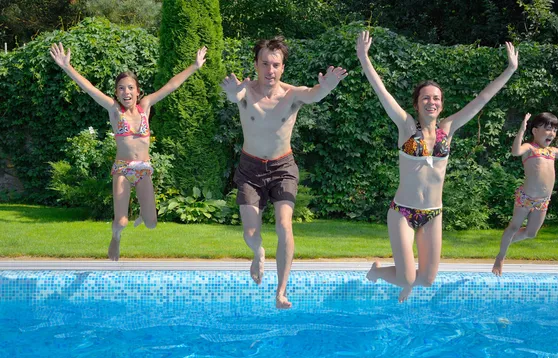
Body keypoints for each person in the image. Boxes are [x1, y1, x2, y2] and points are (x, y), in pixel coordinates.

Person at [356, 30, 518, 301]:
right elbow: (381, 90)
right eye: (426, 98)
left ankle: (401, 279)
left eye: (436, 98)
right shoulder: (406, 126)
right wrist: (364, 57)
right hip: (403, 212)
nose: (431, 102)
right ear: (417, 104)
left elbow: (482, 100)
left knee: (428, 280)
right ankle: (379, 273)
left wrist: (510, 70)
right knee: (408, 277)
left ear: (442, 105)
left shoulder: (448, 128)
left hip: (434, 213)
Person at [220, 37, 347, 309]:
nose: (270, 70)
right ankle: (258, 253)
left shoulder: (291, 94)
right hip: (250, 168)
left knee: (284, 225)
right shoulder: (247, 93)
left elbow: (314, 94)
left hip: (282, 167)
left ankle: (281, 291)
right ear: (256, 64)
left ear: (283, 68)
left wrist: (327, 86)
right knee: (250, 233)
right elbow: (235, 96)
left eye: (276, 65)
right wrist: (231, 91)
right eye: (264, 63)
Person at [50, 42, 208, 261]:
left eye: (130, 87)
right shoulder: (114, 110)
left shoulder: (146, 106)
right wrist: (67, 67)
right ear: (116, 92)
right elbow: (89, 89)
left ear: (138, 91)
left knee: (152, 224)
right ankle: (115, 238)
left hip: (143, 169)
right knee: (122, 221)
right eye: (122, 88)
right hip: (123, 169)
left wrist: (194, 66)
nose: (126, 92)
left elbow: (171, 85)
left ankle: (144, 213)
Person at [492, 113, 558, 275]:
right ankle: (500, 256)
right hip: (526, 197)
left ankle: (506, 241)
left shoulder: (552, 151)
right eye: (548, 129)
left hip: (543, 200)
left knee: (531, 233)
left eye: (554, 130)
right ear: (534, 131)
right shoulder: (529, 148)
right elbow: (515, 151)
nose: (552, 134)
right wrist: (521, 129)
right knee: (514, 227)